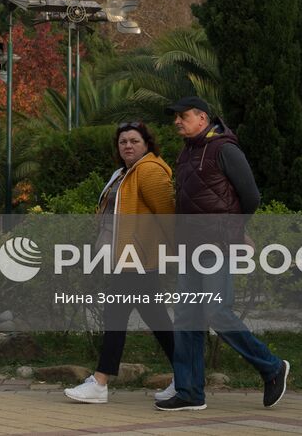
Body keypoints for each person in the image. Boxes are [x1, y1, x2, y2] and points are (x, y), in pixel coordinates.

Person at [155, 96, 290, 413]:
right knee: (187, 318)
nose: (177, 121)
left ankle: (272, 367)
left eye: (182, 115)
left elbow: (252, 196)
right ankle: (190, 392)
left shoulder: (224, 149)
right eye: (175, 116)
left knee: (217, 312)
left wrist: (235, 230)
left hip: (216, 245)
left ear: (202, 117)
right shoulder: (187, 153)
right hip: (189, 247)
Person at [64, 122, 179, 405]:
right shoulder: (123, 173)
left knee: (115, 316)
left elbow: (168, 215)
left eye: (134, 140)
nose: (128, 145)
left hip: (137, 259)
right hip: (123, 258)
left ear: (147, 144)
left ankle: (100, 382)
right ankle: (187, 373)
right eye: (123, 141)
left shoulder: (150, 171)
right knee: (156, 319)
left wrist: (177, 252)